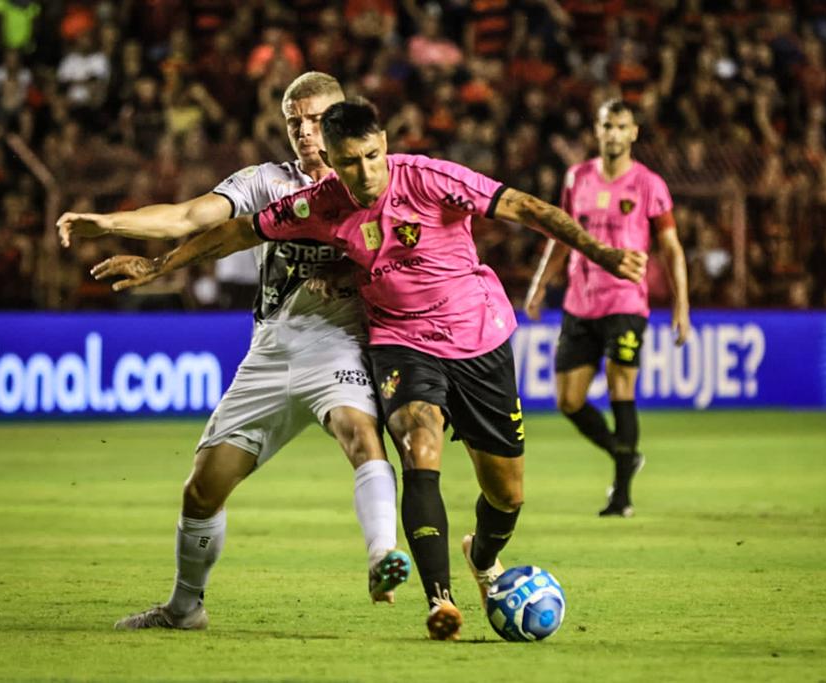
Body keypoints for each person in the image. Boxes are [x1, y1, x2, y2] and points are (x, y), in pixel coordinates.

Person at [90, 99, 647, 640]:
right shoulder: (320, 203)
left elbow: (525, 207)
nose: (366, 172)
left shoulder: (428, 178)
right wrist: (160, 264)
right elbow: (242, 230)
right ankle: (440, 601)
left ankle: (483, 555)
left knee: (507, 494)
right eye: (351, 162)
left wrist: (601, 255)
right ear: (332, 162)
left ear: (385, 146)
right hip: (400, 343)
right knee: (417, 442)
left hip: (479, 340)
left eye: (373, 156)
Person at [55, 73, 410, 631]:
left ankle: (382, 555)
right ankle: (184, 607)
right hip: (270, 350)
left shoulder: (381, 181)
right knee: (202, 488)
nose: (304, 133)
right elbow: (191, 215)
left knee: (359, 434)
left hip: (338, 343)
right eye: (295, 122)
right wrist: (111, 224)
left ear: (345, 120)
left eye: (317, 120)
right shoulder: (269, 182)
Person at [524, 98, 690, 518]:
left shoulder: (649, 184)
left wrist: (681, 307)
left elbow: (671, 249)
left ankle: (622, 495)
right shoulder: (577, 178)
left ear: (634, 133)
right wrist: (540, 284)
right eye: (606, 126)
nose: (613, 134)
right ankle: (625, 453)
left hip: (626, 303)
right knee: (569, 400)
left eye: (621, 126)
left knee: (621, 389)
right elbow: (561, 236)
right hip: (580, 303)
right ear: (596, 132)